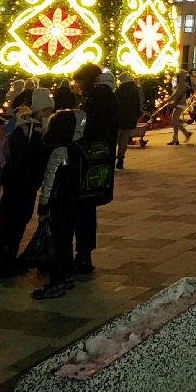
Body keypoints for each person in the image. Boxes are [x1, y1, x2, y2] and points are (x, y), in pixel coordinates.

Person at [0, 87, 53, 279]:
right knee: (10, 223)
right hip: (19, 183)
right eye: (46, 111)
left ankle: (8, 259)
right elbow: (22, 157)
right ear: (38, 110)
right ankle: (0, 264)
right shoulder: (25, 130)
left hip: (25, 184)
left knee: (19, 222)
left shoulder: (35, 130)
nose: (48, 115)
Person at [32, 106, 85, 301]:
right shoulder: (79, 147)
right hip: (77, 202)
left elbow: (49, 181)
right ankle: (67, 274)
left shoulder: (59, 152)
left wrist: (43, 205)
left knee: (57, 242)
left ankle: (57, 281)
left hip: (60, 203)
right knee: (66, 239)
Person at [73, 66, 119, 273]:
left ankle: (83, 256)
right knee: (86, 209)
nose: (78, 86)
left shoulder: (99, 97)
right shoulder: (101, 95)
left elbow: (94, 128)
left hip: (92, 160)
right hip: (97, 159)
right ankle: (84, 254)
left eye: (80, 81)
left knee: (85, 208)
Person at [114, 72, 143, 168]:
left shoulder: (119, 91)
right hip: (130, 119)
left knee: (115, 140)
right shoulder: (136, 90)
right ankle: (121, 159)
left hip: (118, 119)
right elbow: (138, 105)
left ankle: (111, 159)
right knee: (124, 140)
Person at [168, 72, 192, 146]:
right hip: (178, 103)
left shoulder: (182, 84)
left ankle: (186, 133)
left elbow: (177, 94)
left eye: (177, 76)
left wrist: (169, 99)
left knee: (174, 121)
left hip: (179, 104)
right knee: (174, 121)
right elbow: (176, 93)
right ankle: (175, 139)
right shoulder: (181, 84)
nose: (176, 77)